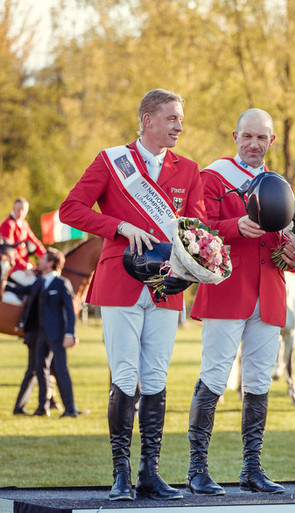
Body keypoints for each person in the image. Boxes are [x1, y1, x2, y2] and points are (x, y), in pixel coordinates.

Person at [59, 88, 207, 501]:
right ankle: (121, 474)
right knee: (125, 376)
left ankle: (149, 474)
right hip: (119, 282)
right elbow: (70, 209)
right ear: (147, 120)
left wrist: (196, 264)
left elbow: (198, 228)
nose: (180, 125)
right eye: (172, 118)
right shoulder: (111, 161)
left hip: (168, 284)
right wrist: (118, 227)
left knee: (156, 377)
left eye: (181, 118)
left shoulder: (189, 169)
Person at [185, 108, 295, 497]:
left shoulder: (279, 183)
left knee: (258, 382)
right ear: (236, 136)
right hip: (226, 290)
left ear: (272, 141)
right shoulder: (214, 175)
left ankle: (252, 468)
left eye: (262, 138)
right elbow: (198, 229)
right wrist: (234, 227)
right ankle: (197, 469)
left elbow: (287, 240)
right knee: (215, 377)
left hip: (269, 291)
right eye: (247, 136)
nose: (254, 144)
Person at [12, 248, 84, 417]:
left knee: (60, 369)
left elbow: (70, 310)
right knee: (40, 368)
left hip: (58, 334)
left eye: (42, 258)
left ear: (51, 263)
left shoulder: (61, 283)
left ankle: (70, 409)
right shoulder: (39, 282)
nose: (39, 261)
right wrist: (5, 281)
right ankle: (42, 408)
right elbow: (22, 291)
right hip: (40, 335)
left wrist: (70, 333)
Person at [0, 198, 46, 291]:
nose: (21, 213)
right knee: (36, 285)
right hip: (13, 266)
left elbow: (35, 242)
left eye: (23, 210)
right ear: (13, 208)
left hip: (25, 264)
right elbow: (9, 252)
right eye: (18, 209)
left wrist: (46, 257)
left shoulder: (24, 223)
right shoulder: (8, 224)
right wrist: (24, 267)